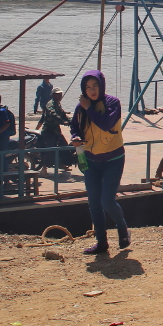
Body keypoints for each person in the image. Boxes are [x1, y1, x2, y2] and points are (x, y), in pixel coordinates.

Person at [70, 70, 130, 254]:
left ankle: (122, 228)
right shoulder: (81, 107)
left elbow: (105, 123)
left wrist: (89, 107)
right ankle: (101, 242)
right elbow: (74, 126)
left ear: (101, 86)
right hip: (90, 159)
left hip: (113, 158)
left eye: (95, 86)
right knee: (94, 203)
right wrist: (76, 137)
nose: (92, 90)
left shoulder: (113, 103)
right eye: (88, 87)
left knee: (107, 201)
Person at [35, 87, 70, 171]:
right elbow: (53, 115)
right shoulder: (50, 104)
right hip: (49, 131)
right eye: (58, 95)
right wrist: (62, 122)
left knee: (64, 145)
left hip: (56, 130)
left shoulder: (58, 104)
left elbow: (63, 114)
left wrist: (71, 121)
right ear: (53, 95)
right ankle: (44, 167)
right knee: (51, 148)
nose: (60, 96)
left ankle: (61, 163)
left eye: (61, 95)